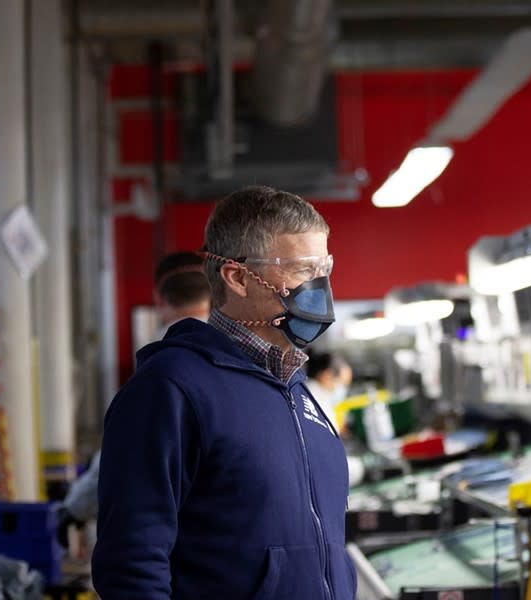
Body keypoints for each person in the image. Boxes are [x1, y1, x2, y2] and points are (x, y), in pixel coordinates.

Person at [92, 186, 356, 599]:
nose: (320, 286)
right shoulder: (170, 390)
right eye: (303, 270)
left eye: (324, 268)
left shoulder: (296, 391)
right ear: (236, 277)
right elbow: (131, 563)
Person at [56, 251, 211, 551]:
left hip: (178, 542)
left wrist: (75, 507)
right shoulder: (243, 357)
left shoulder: (159, 360)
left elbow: (122, 450)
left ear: (159, 299)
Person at [306, 351, 353, 431]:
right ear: (327, 375)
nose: (342, 389)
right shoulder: (312, 396)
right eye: (342, 383)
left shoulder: (321, 395)